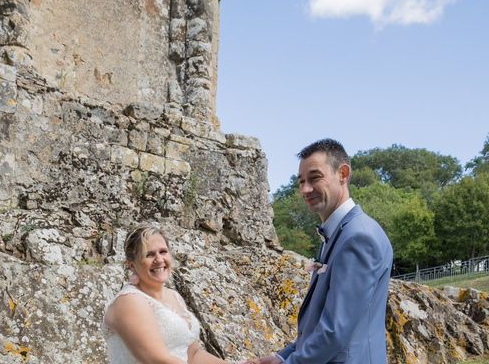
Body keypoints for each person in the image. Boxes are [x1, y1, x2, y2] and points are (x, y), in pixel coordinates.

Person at [256, 138, 393, 364]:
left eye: (315, 178)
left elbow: (334, 330)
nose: (305, 189)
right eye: (301, 182)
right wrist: (283, 356)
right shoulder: (337, 233)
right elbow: (320, 324)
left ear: (343, 174)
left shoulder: (359, 237)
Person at [103, 225, 240, 364]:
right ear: (132, 265)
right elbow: (156, 360)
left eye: (163, 252)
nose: (159, 259)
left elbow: (193, 354)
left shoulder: (174, 296)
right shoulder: (129, 301)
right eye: (149, 254)